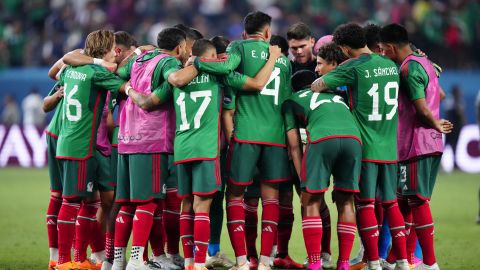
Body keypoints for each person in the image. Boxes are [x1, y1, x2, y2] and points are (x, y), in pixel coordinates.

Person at [193, 11, 295, 270]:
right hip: (276, 137)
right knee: (271, 197)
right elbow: (286, 102)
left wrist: (198, 62)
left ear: (243, 33)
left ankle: (241, 260)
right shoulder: (283, 62)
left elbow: (227, 73)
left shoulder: (238, 47)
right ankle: (265, 261)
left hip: (246, 134)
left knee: (235, 195)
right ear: (268, 33)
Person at [311, 23, 409, 270]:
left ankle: (373, 262)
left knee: (365, 204)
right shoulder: (390, 65)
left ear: (344, 48)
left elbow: (318, 84)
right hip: (390, 147)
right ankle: (403, 261)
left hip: (365, 147)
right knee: (391, 204)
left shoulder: (352, 67)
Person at [112, 27, 195, 270]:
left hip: (126, 138)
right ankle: (137, 260)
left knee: (127, 203)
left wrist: (129, 90)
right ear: (179, 47)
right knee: (149, 203)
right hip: (152, 140)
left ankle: (119, 260)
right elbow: (172, 79)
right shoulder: (169, 62)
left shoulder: (139, 58)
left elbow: (117, 73)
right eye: (186, 48)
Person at [379, 23, 453, 270]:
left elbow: (421, 109)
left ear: (390, 47)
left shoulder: (409, 68)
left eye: (382, 49)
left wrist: (434, 122)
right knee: (404, 201)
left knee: (417, 201)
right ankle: (395, 260)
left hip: (415, 144)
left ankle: (429, 264)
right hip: (429, 144)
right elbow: (438, 96)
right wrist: (435, 124)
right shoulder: (425, 63)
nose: (381, 53)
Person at [54, 29, 126, 270]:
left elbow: (59, 68)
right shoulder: (97, 73)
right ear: (106, 49)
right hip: (80, 144)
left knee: (89, 201)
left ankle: (81, 258)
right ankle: (63, 261)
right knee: (71, 202)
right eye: (113, 46)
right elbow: (122, 85)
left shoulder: (73, 70)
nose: (116, 51)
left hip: (75, 142)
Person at [284, 42, 360, 270]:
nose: (317, 69)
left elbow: (294, 146)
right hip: (354, 140)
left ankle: (315, 264)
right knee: (346, 201)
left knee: (312, 203)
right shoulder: (340, 95)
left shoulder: (293, 100)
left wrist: (303, 180)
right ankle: (344, 264)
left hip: (323, 140)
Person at [42, 82, 65, 270]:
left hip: (70, 136)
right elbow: (45, 105)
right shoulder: (71, 69)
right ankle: (56, 258)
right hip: (62, 136)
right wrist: (58, 94)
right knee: (63, 195)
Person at [445, 85, 466, 168]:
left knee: (452, 145)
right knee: (451, 144)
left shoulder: (452, 100)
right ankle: (450, 164)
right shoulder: (454, 100)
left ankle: (454, 163)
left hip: (452, 126)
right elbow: (459, 113)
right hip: (452, 126)